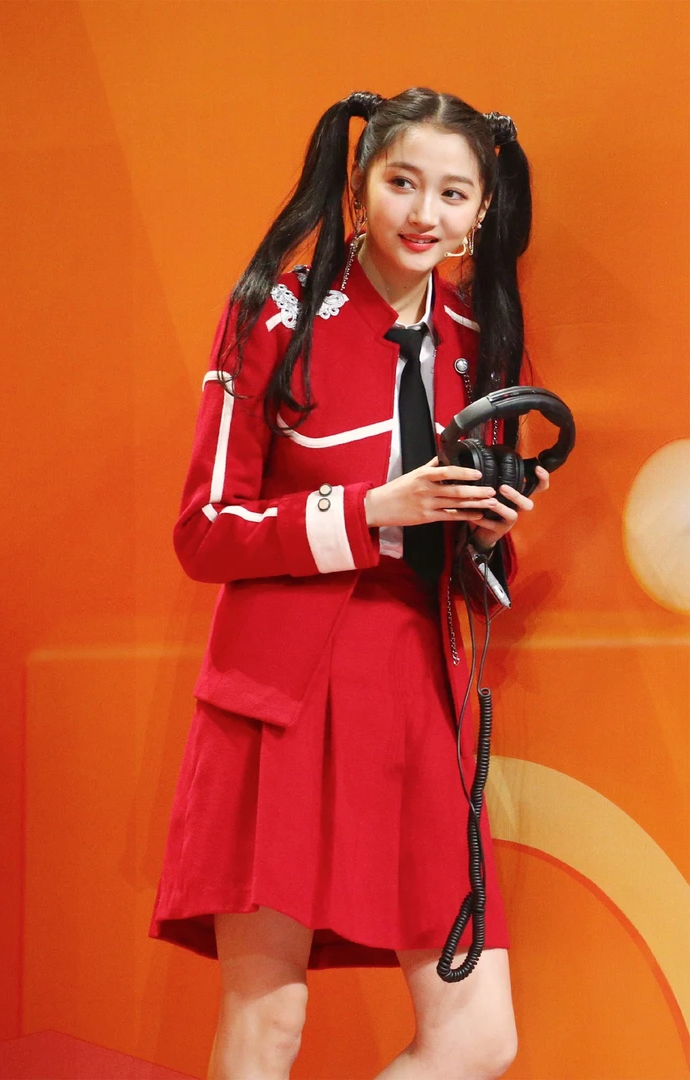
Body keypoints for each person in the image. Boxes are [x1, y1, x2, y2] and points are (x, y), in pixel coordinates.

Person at [148, 86, 551, 1080]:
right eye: (403, 182)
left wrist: (487, 535)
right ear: (359, 185)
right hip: (279, 695)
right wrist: (370, 509)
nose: (425, 214)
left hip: (416, 686)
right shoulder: (275, 311)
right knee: (268, 1022)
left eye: (453, 193)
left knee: (479, 1037)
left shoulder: (483, 335)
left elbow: (472, 567)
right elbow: (203, 531)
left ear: (483, 210)